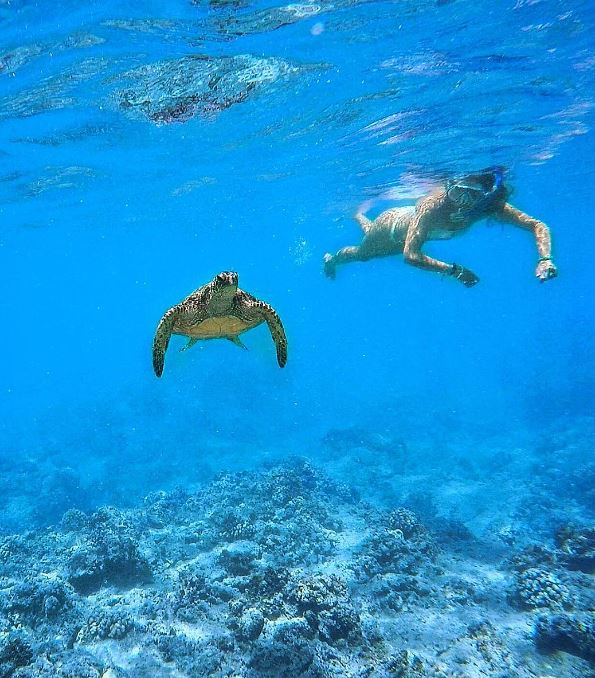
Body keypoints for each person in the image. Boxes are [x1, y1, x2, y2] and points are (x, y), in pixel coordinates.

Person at [323, 170, 557, 286]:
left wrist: (545, 258)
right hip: (392, 227)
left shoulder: (490, 207)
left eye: (470, 194)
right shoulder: (432, 206)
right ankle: (332, 259)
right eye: (456, 190)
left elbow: (537, 225)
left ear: (483, 196)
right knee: (363, 254)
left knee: (369, 239)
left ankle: (358, 216)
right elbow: (411, 255)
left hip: (405, 232)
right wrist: (455, 271)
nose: (460, 199)